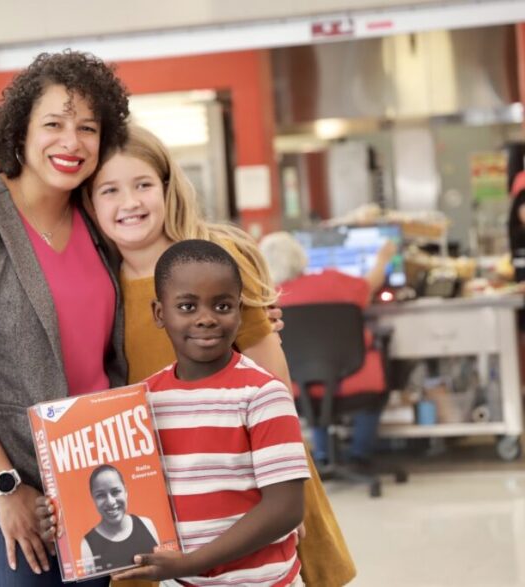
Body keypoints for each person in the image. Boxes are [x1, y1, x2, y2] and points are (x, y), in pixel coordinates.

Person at [80, 125, 355, 585]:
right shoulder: (100, 285)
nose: (129, 202)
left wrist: (280, 500)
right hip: (165, 481)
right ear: (90, 204)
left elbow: (272, 377)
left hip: (253, 471)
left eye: (143, 185)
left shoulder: (214, 260)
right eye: (110, 190)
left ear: (168, 188)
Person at [0, 50, 129, 587]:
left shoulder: (99, 220)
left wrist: (249, 311)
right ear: (20, 131)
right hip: (2, 492)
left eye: (87, 127)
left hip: (91, 478)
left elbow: (163, 273)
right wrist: (5, 486)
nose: (71, 142)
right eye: (53, 124)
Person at [113, 240, 309, 585]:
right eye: (187, 307)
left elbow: (286, 508)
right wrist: (61, 514)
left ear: (239, 309)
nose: (206, 319)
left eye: (222, 305)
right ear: (160, 313)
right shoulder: (143, 402)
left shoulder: (262, 394)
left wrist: (192, 563)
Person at [258, 231, 397, 468]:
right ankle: (359, 454)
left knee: (312, 382)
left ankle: (323, 454)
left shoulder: (266, 300)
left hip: (295, 389)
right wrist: (384, 258)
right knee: (376, 384)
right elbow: (370, 284)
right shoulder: (334, 282)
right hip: (355, 380)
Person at [80, 465, 159, 575]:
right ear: (93, 499)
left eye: (115, 492)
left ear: (126, 491)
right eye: (101, 495)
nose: (111, 501)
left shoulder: (146, 524)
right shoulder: (87, 546)